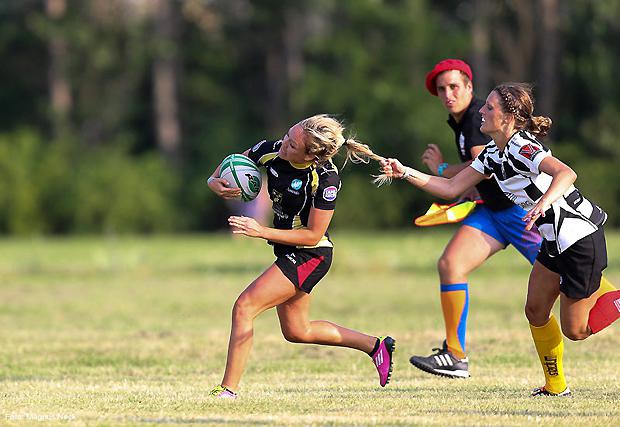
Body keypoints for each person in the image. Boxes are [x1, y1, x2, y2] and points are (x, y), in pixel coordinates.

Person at [379, 82, 620, 396]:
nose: (481, 110)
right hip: (553, 242)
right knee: (535, 310)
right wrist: (405, 172)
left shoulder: (524, 147)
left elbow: (566, 173)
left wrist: (544, 202)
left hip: (578, 238)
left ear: (508, 118)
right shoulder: (495, 152)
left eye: (489, 108)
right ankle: (555, 387)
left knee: (576, 330)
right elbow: (452, 188)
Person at [207, 114, 395, 399]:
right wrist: (213, 180)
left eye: (292, 145)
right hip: (288, 250)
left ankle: (227, 391)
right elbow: (235, 160)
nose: (284, 145)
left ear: (311, 155)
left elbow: (312, 234)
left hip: (311, 255)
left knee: (244, 307)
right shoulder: (272, 149)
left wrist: (261, 231)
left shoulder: (325, 178)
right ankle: (375, 346)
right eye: (288, 135)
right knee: (298, 331)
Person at [409, 59, 542, 378]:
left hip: (519, 212)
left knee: (569, 273)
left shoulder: (478, 118)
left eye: (454, 86)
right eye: (441, 89)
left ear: (469, 87)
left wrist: (441, 170)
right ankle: (455, 355)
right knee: (450, 265)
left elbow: (479, 163)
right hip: (492, 212)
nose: (447, 94)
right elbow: (483, 171)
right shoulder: (464, 121)